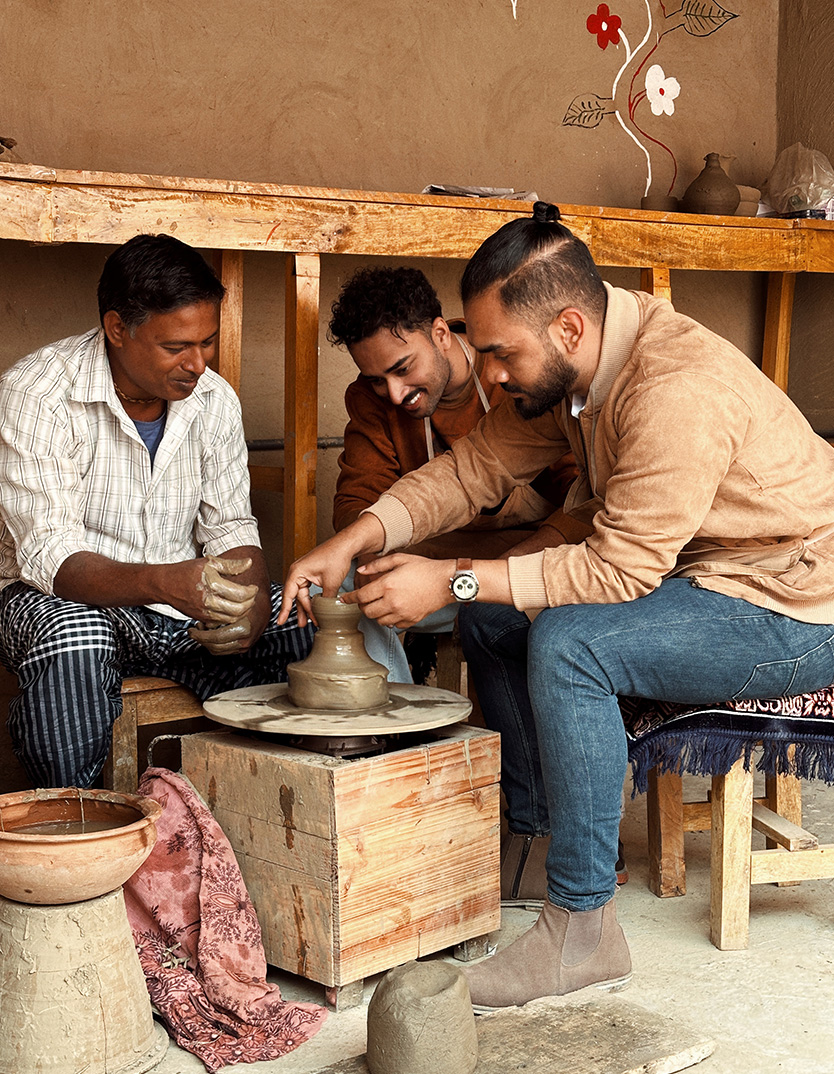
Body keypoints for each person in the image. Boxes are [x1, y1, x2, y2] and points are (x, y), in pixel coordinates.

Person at [279, 201, 834, 1010]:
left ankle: (582, 928)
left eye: (502, 353)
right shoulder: (578, 377)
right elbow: (470, 471)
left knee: (572, 643)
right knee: (497, 617)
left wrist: (452, 576)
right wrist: (358, 537)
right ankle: (544, 833)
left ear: (570, 328)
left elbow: (618, 573)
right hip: (707, 577)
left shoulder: (674, 387)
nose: (490, 374)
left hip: (793, 603)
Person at [0, 233, 313, 789]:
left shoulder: (212, 400)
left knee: (301, 622)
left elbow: (232, 528)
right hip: (58, 599)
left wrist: (251, 608)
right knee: (76, 639)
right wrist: (167, 584)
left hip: (177, 607)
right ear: (118, 329)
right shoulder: (38, 394)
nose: (198, 364)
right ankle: (82, 818)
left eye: (208, 342)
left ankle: (277, 813)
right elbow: (52, 557)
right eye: (177, 347)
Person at [329, 265, 577, 685]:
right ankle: (396, 732)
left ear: (441, 334)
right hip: (429, 567)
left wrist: (477, 572)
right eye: (376, 380)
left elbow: (581, 506)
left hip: (523, 565)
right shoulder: (372, 402)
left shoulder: (511, 375)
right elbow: (357, 503)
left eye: (403, 368)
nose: (394, 393)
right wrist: (376, 567)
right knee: (339, 593)